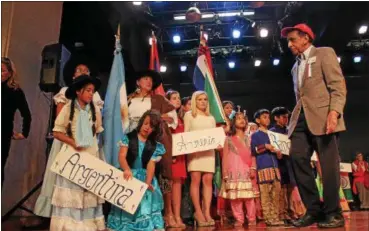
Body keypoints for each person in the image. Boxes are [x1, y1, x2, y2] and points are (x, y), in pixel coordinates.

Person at [281, 23, 347, 228]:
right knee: (297, 158)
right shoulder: (295, 67)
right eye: (288, 41)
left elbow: (337, 85)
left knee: (328, 168)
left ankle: (334, 213)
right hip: (300, 118)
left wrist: (334, 113)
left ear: (305, 38)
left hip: (324, 116)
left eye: (292, 39)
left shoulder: (324, 53)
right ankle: (313, 210)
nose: (289, 44)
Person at [33, 63, 104, 219]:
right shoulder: (66, 95)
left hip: (88, 147)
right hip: (69, 141)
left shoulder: (95, 100)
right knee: (67, 181)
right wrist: (73, 140)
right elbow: (60, 125)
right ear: (73, 76)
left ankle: (85, 219)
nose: (83, 71)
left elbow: (97, 126)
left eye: (86, 70)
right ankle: (64, 217)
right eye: (79, 69)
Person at [49, 75, 105, 230]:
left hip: (89, 156)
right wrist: (74, 142)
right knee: (72, 192)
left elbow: (98, 131)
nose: (90, 94)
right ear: (79, 92)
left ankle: (87, 224)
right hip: (73, 156)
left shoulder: (94, 110)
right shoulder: (69, 108)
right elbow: (57, 132)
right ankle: (70, 224)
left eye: (92, 91)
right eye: (88, 90)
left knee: (87, 192)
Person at [123, 70, 176, 228]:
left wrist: (158, 118)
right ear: (138, 82)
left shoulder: (158, 99)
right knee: (135, 174)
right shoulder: (129, 100)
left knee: (158, 176)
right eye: (145, 79)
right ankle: (134, 214)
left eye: (151, 80)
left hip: (153, 140)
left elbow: (172, 117)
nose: (148, 82)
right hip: (133, 140)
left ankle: (167, 213)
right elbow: (123, 120)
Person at [107, 110, 166, 231]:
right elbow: (122, 156)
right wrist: (127, 169)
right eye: (146, 124)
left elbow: (151, 165)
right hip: (129, 173)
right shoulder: (129, 138)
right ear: (141, 123)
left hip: (145, 176)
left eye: (151, 127)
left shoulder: (154, 145)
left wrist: (148, 182)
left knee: (145, 197)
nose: (147, 128)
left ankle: (144, 223)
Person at [219, 109, 257, 227]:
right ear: (233, 122)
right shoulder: (228, 140)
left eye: (243, 119)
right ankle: (239, 219)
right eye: (238, 118)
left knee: (249, 197)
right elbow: (225, 157)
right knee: (235, 198)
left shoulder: (250, 138)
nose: (241, 120)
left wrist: (253, 168)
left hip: (246, 170)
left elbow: (253, 156)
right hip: (233, 172)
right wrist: (225, 173)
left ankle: (251, 218)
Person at [184, 91, 216, 227]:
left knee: (208, 180)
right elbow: (185, 134)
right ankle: (198, 212)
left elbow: (215, 136)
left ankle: (207, 212)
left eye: (205, 99)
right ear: (194, 101)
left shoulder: (211, 118)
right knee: (196, 179)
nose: (203, 102)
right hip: (195, 152)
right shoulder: (189, 115)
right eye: (200, 99)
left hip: (209, 152)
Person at [270, 107, 306, 223]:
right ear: (276, 118)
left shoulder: (289, 130)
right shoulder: (272, 132)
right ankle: (282, 213)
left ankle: (291, 211)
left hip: (290, 163)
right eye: (283, 117)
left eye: (287, 117)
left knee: (291, 188)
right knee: (282, 189)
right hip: (280, 163)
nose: (286, 119)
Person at [1, 57, 32, 186]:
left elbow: (27, 115)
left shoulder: (15, 91)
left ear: (10, 73)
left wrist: (24, 133)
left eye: (2, 70)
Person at [251, 109, 284, 226]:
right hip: (264, 167)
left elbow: (279, 151)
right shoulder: (255, 135)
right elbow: (254, 150)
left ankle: (275, 217)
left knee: (276, 193)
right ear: (258, 120)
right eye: (264, 117)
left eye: (268, 117)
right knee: (265, 194)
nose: (267, 119)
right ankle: (268, 218)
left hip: (275, 166)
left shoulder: (272, 134)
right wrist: (265, 146)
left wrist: (279, 153)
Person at [165, 90, 187, 228]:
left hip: (180, 156)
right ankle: (169, 214)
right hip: (170, 156)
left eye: (179, 98)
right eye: (174, 98)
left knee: (178, 186)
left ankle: (178, 215)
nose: (178, 100)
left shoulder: (181, 119)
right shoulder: (167, 118)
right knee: (168, 186)